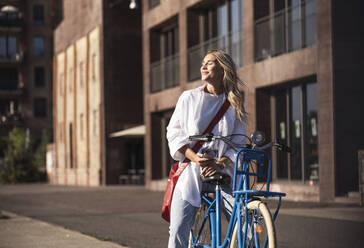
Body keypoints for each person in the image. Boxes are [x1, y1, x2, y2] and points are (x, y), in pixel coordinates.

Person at [166, 49, 247, 248]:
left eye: (209, 63)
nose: (203, 66)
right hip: (192, 172)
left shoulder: (233, 103)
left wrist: (220, 163)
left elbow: (238, 143)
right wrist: (195, 158)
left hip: (222, 172)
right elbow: (173, 133)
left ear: (223, 69)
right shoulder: (189, 98)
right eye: (203, 62)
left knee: (244, 225)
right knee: (177, 230)